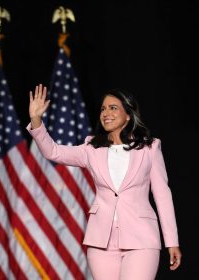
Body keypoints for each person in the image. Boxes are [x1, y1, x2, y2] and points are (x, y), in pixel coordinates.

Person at [27, 84, 182, 279]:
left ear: (128, 114)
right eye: (103, 109)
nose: (106, 113)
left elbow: (162, 195)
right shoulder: (91, 148)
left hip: (141, 240)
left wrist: (172, 241)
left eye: (113, 107)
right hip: (101, 243)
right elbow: (53, 151)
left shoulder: (150, 147)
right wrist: (36, 120)